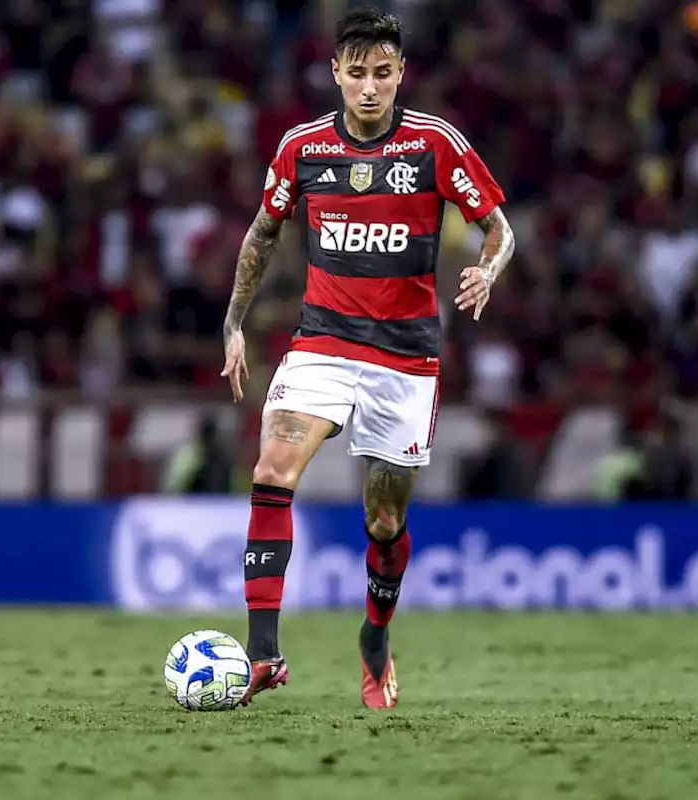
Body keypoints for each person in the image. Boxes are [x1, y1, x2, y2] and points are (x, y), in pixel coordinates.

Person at [220, 8, 515, 708]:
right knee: (271, 468)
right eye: (357, 74)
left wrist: (488, 269)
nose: (370, 87)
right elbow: (262, 235)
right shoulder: (303, 149)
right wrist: (233, 324)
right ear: (336, 75)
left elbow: (499, 228)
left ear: (400, 73)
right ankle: (263, 656)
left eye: (382, 73)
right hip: (322, 342)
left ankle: (375, 636)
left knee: (384, 523)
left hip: (405, 361)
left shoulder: (435, 145)